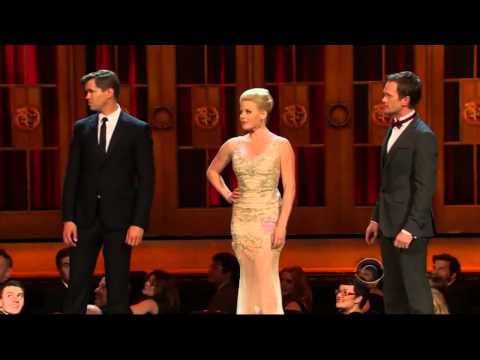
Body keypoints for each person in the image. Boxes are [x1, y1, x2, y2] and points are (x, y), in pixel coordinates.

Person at [62, 69, 154, 314]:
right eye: (86, 92)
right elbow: (72, 176)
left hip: (120, 221)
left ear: (109, 92)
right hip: (84, 219)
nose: (87, 97)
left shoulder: (137, 129)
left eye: (91, 91)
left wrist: (138, 222)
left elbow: (146, 180)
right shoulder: (82, 128)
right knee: (77, 285)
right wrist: (68, 218)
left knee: (117, 286)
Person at [207, 88, 296, 314]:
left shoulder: (281, 145)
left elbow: (290, 187)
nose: (242, 116)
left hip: (268, 219)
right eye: (241, 111)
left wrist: (282, 225)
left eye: (248, 111)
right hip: (241, 220)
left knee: (266, 275)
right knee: (248, 277)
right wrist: (227, 193)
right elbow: (212, 171)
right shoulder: (233, 144)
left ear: (263, 114)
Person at [365, 71, 438, 314]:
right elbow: (387, 182)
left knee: (415, 296)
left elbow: (425, 188)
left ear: (405, 99)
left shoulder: (423, 136)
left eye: (388, 95)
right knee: (393, 296)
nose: (383, 99)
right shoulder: (390, 130)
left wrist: (411, 228)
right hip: (388, 224)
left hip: (409, 228)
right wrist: (376, 217)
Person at [43, 247, 71, 314]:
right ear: (59, 269)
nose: (72, 269)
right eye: (66, 265)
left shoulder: (89, 290)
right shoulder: (51, 295)